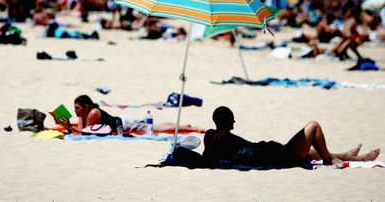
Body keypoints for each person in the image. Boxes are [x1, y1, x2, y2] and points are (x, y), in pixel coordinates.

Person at [203, 106, 380, 167]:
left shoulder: (221, 138)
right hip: (282, 157)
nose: (235, 122)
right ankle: (329, 160)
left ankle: (352, 157)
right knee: (313, 127)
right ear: (225, 121)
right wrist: (222, 128)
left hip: (275, 152)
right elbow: (213, 138)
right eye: (231, 119)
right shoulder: (213, 136)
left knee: (311, 151)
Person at [52, 95, 206, 135]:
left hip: (125, 124)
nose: (75, 111)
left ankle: (191, 128)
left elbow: (86, 131)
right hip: (121, 122)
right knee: (155, 126)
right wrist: (69, 125)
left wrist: (68, 127)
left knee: (156, 128)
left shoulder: (93, 112)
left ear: (86, 106)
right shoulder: (84, 113)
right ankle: (186, 126)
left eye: (77, 108)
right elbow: (80, 127)